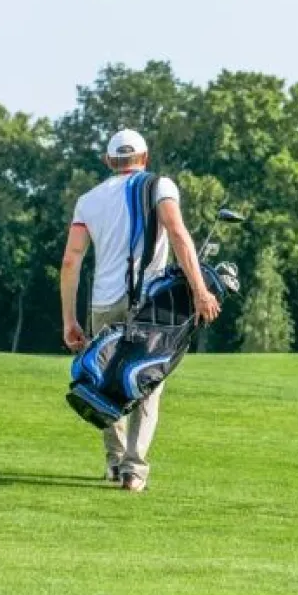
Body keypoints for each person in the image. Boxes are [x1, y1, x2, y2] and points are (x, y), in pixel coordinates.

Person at [59, 129, 221, 492]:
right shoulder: (159, 186)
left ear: (108, 162)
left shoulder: (89, 200)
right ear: (144, 159)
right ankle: (134, 471)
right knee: (146, 380)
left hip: (103, 302)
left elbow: (71, 261)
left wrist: (69, 319)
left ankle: (115, 462)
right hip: (149, 304)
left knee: (105, 377)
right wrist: (200, 290)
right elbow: (178, 233)